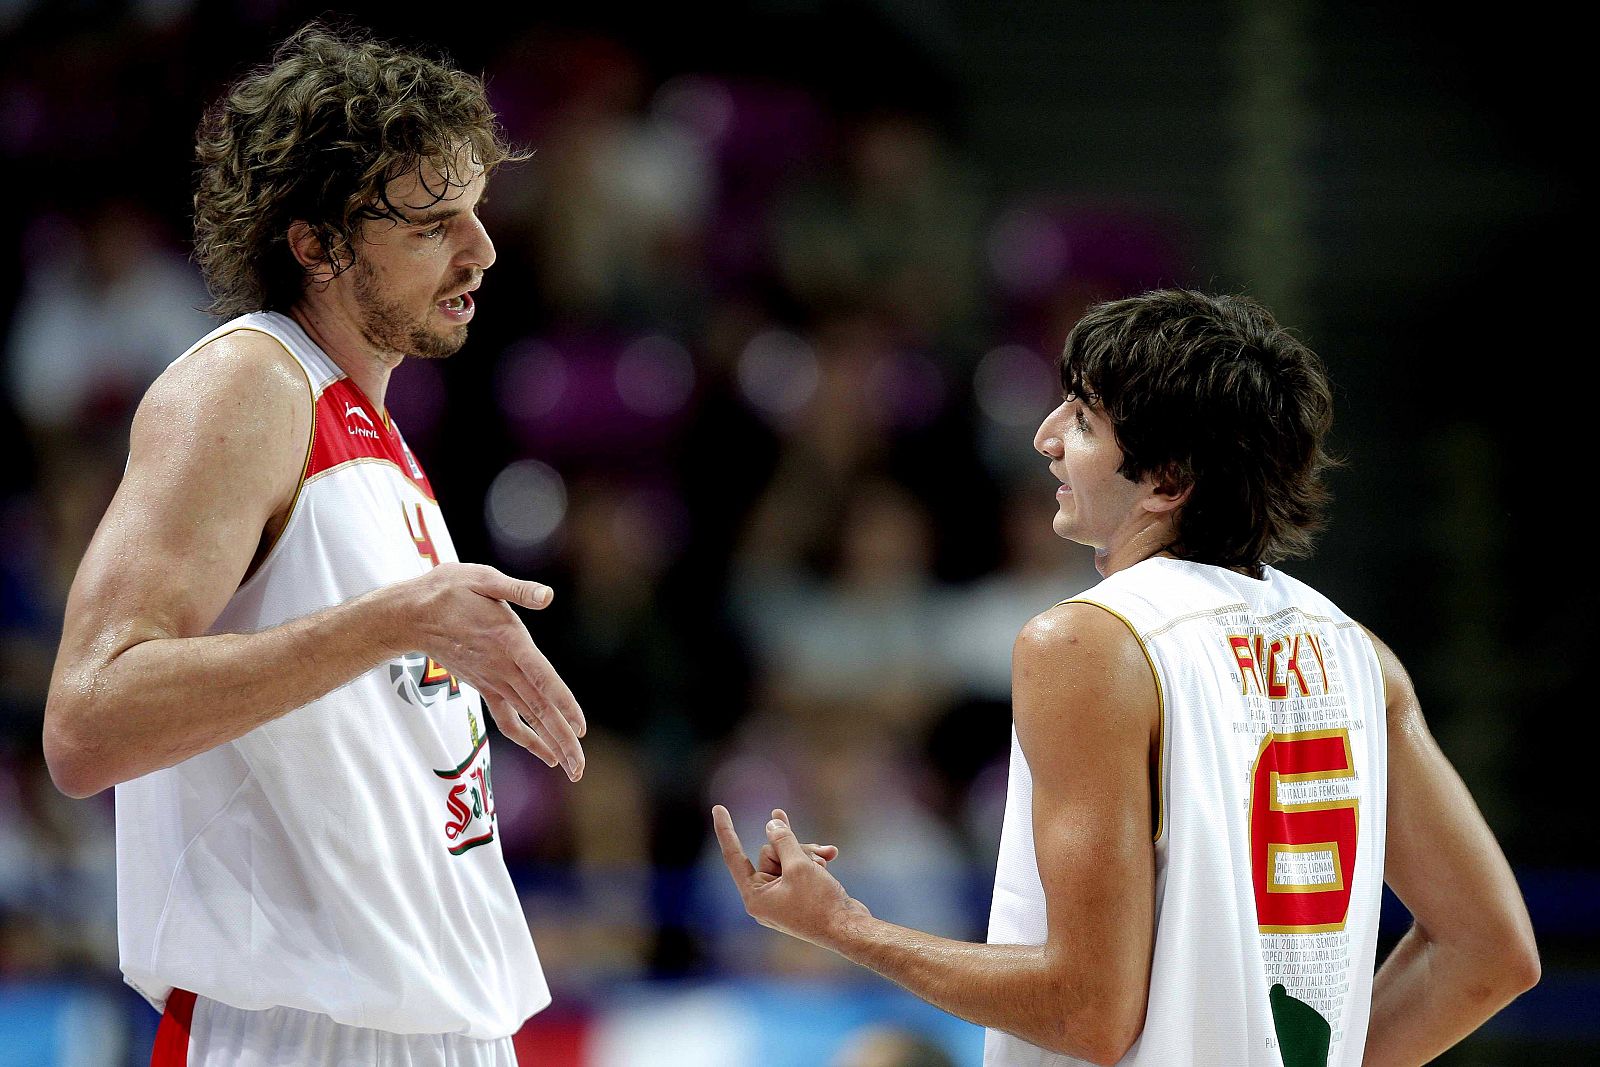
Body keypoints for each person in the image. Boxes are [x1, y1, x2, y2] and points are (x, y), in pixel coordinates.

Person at [713, 289, 1539, 1066]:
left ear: (1168, 481)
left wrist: (847, 927)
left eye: (1081, 417)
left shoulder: (1088, 640)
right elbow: (1492, 951)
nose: (1044, 436)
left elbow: (1089, 1011)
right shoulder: (1359, 650)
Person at [42, 24, 586, 1066]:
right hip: (303, 1031)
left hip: (434, 1022)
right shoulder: (246, 383)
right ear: (319, 244)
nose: (481, 249)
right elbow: (87, 718)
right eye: (433, 224)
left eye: (475, 211)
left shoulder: (379, 442)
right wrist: (396, 620)